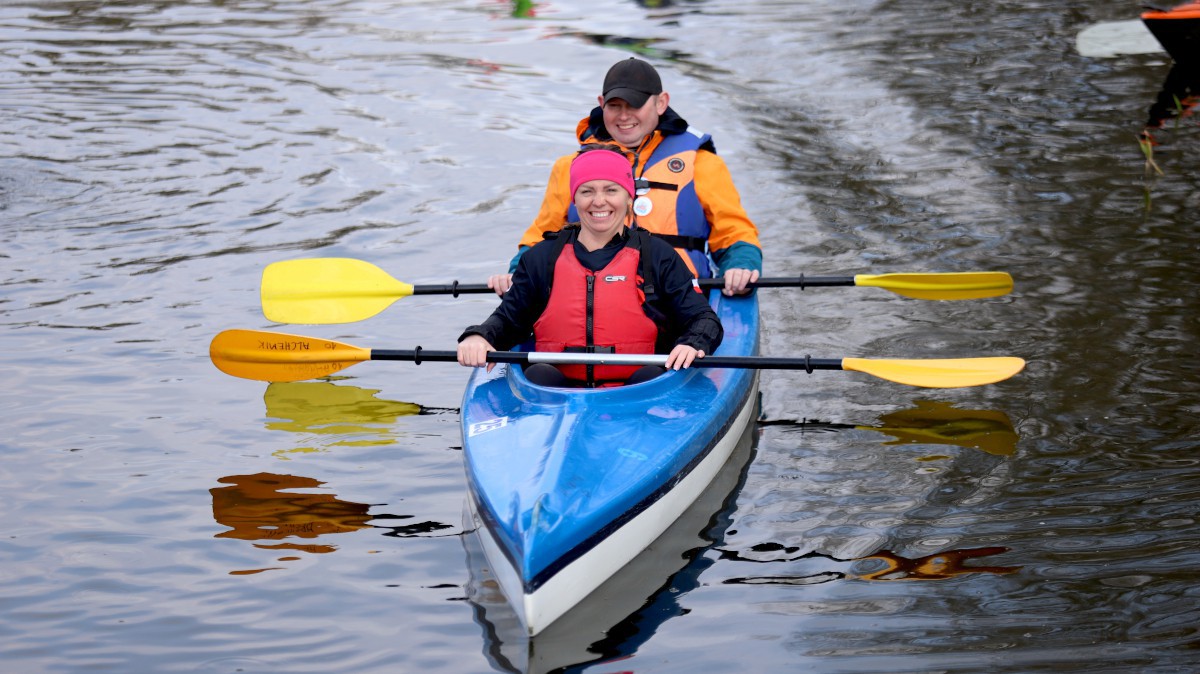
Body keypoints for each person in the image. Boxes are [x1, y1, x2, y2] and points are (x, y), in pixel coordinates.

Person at [489, 57, 762, 297]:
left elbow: (734, 232)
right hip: (590, 297)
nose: (623, 116)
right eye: (614, 106)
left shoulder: (702, 164)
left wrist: (741, 266)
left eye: (634, 105)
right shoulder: (569, 167)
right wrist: (517, 274)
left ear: (661, 103)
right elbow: (541, 236)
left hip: (678, 296)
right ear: (601, 104)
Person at [458, 148, 723, 388]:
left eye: (611, 190)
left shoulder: (657, 256)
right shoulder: (542, 257)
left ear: (628, 197)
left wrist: (693, 343)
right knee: (539, 373)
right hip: (555, 393)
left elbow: (704, 319)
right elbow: (509, 320)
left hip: (640, 389)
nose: (599, 202)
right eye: (587, 191)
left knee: (649, 376)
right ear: (574, 199)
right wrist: (480, 336)